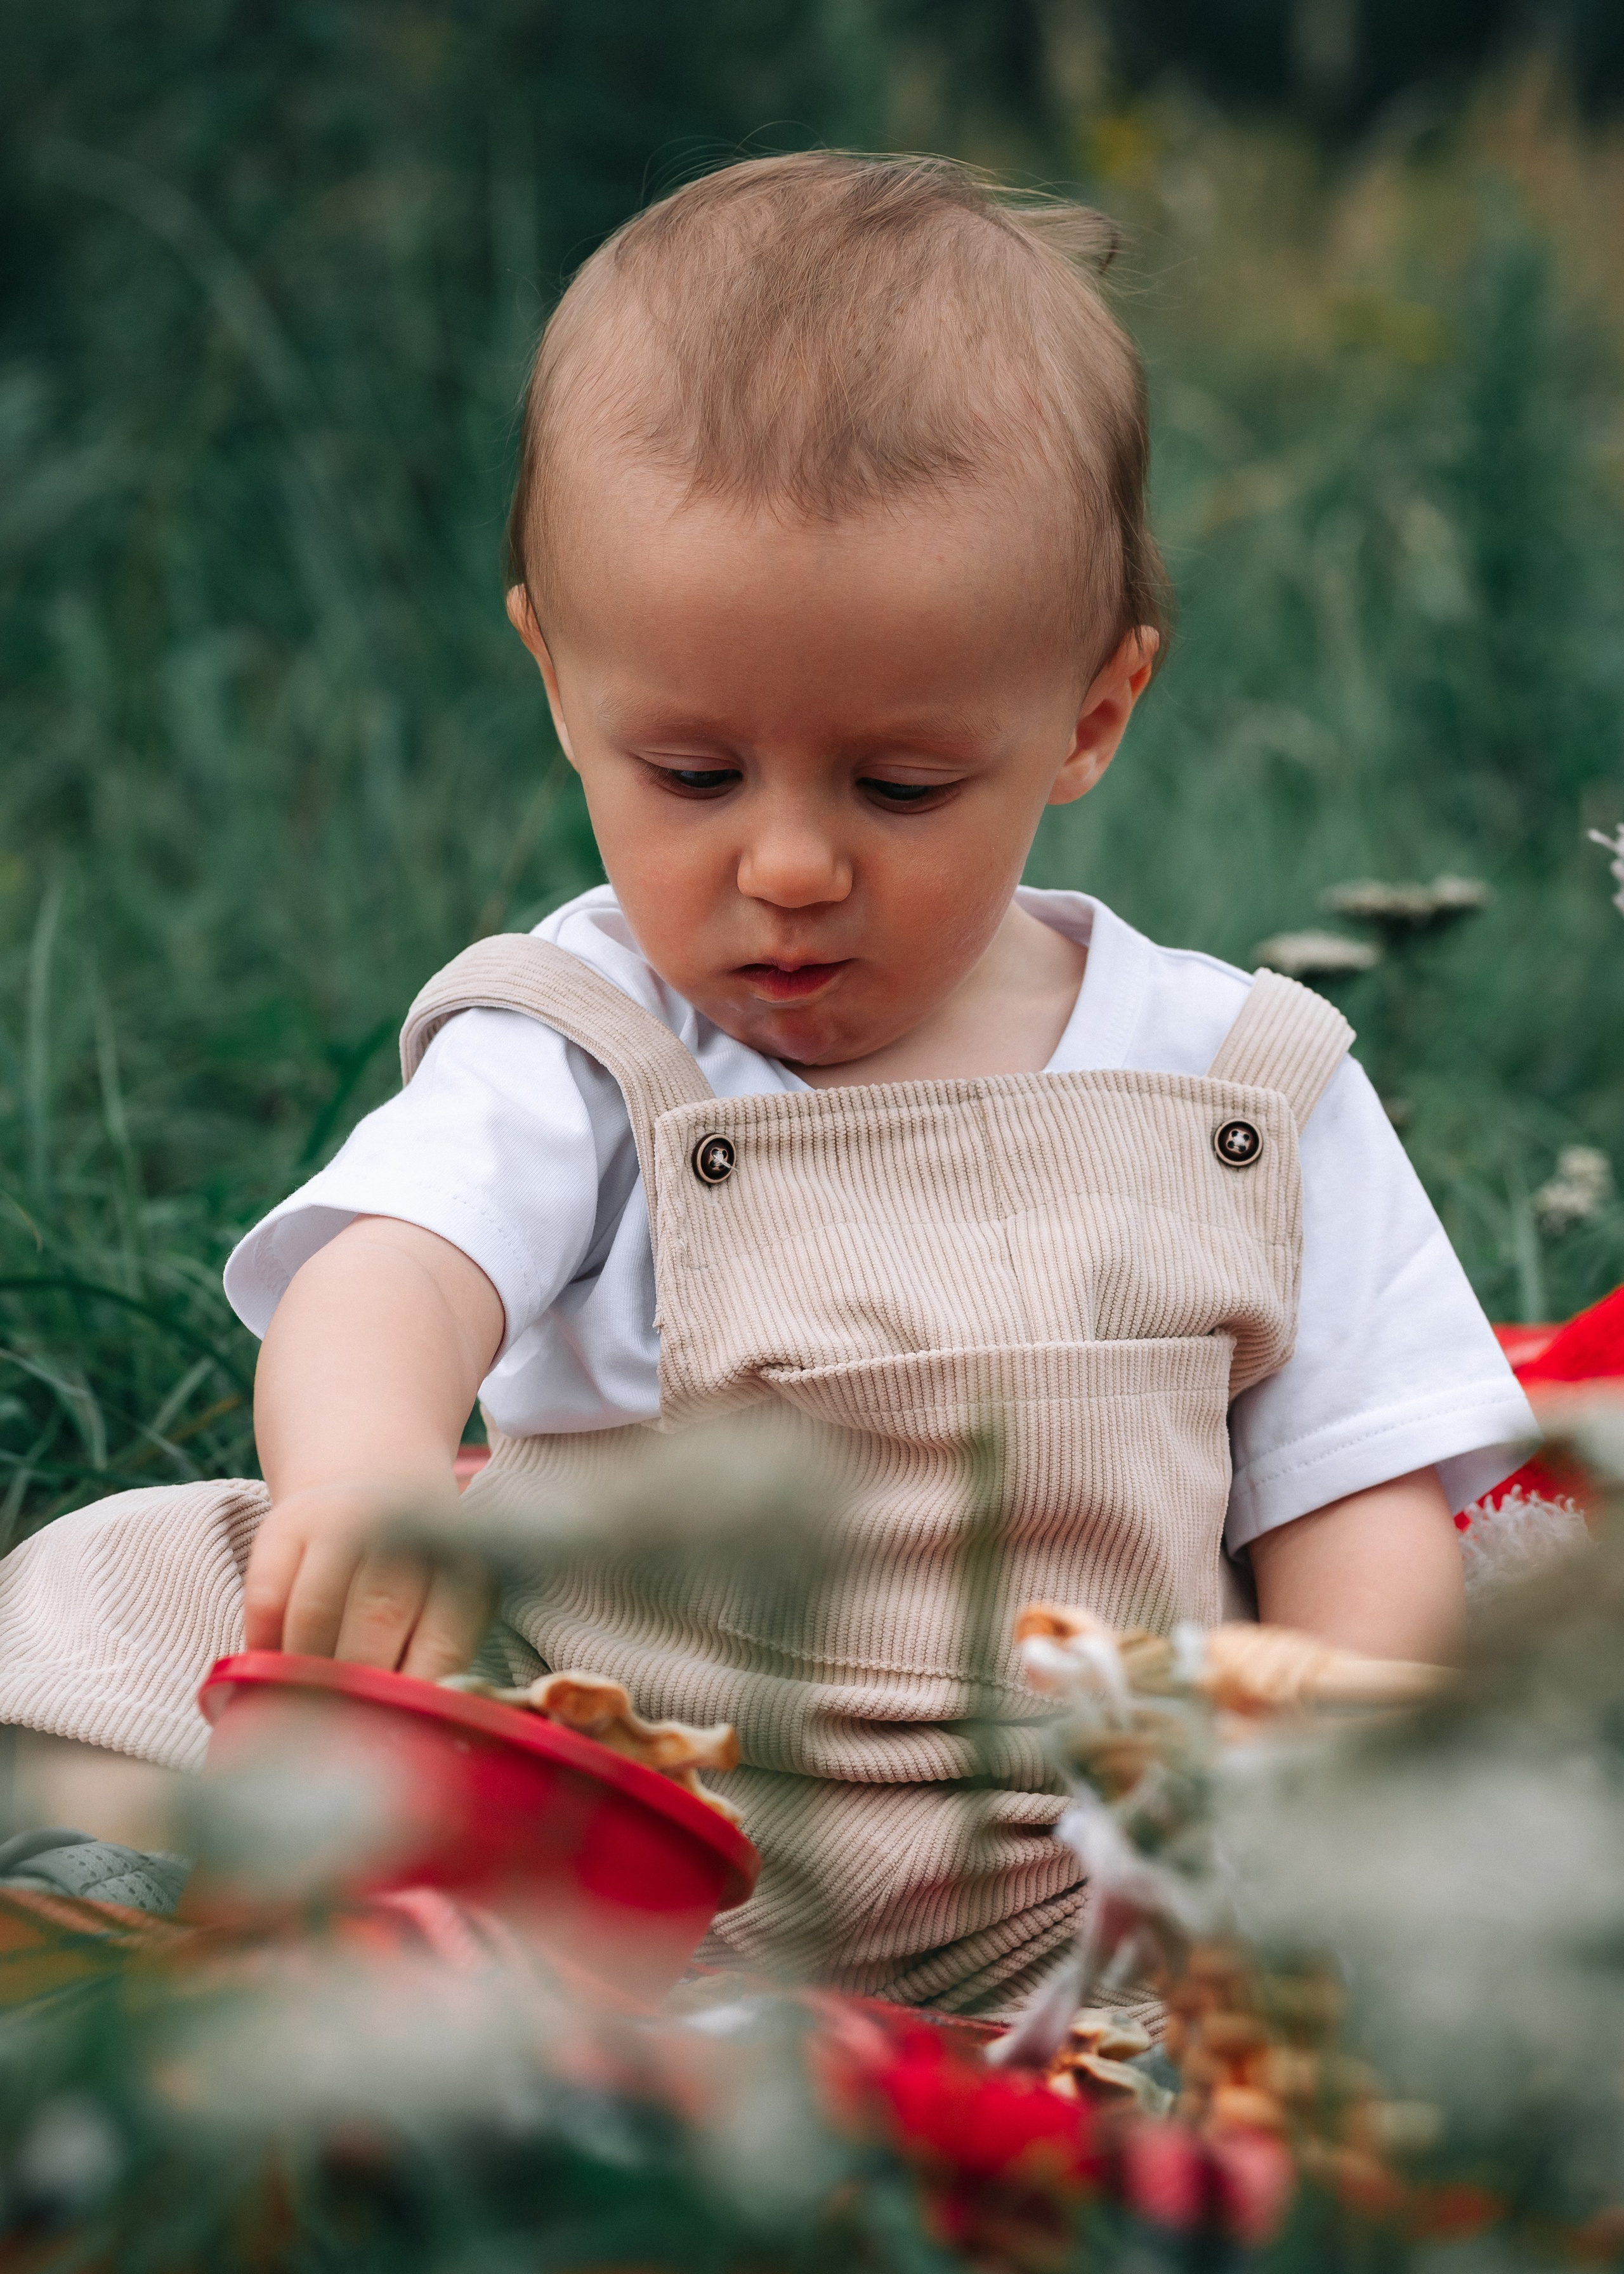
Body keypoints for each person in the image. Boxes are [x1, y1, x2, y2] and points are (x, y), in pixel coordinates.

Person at [0, 154, 1533, 2012]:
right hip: (596, 1819)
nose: (791, 865)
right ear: (560, 687)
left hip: (1083, 1886)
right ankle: (251, 1910)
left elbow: (1353, 1505)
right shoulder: (586, 1037)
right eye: (695, 773)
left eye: (898, 787)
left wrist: (1345, 1791)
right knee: (104, 1613)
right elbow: (389, 1271)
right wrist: (371, 1466)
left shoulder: (1247, 1081)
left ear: (1089, 716)